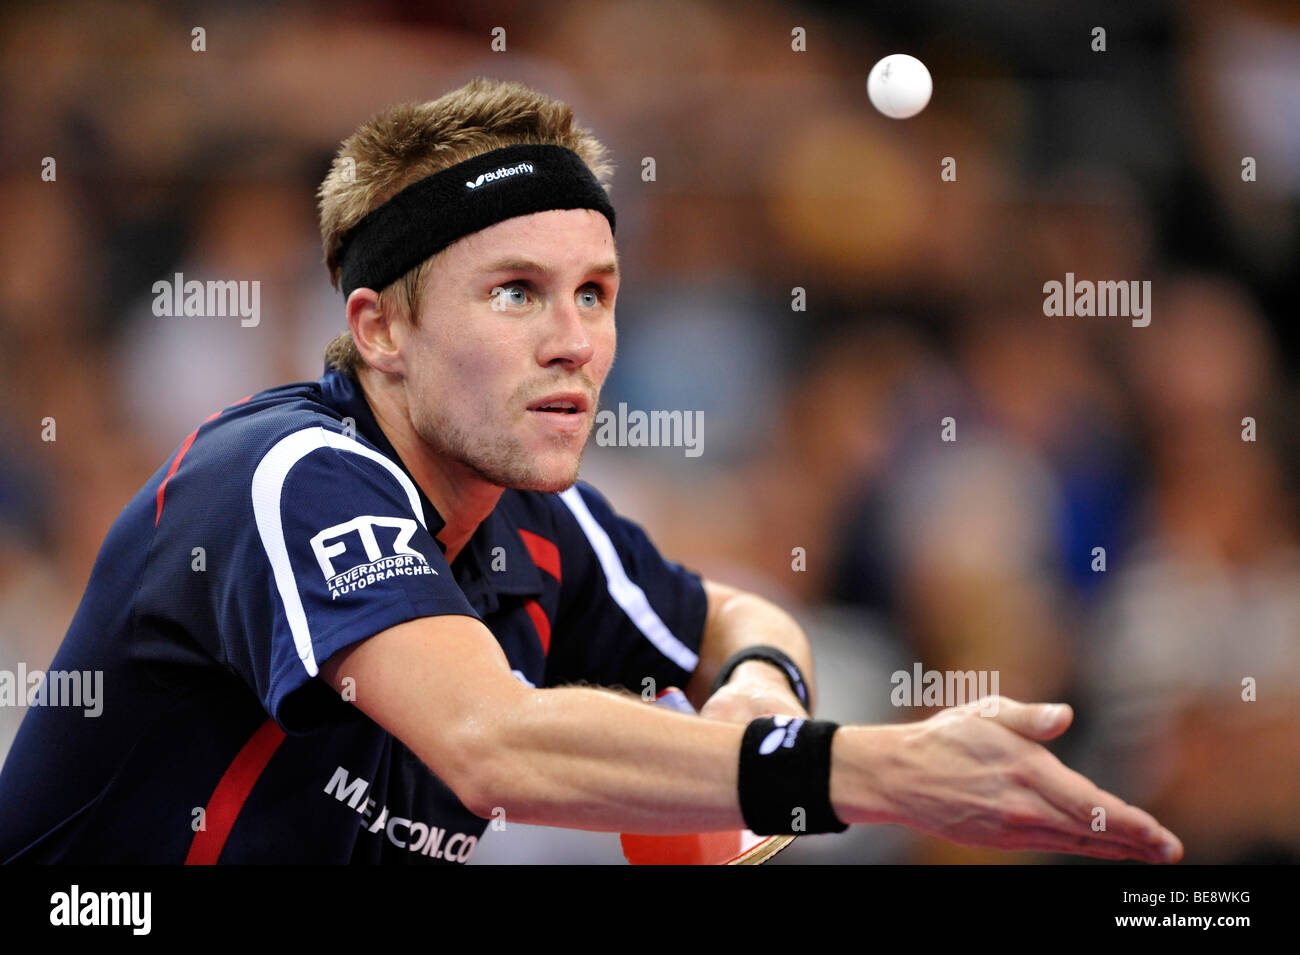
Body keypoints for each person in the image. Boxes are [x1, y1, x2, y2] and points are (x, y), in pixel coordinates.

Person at [0, 77, 1182, 865]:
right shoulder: (285, 473)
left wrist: (762, 693)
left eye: (596, 294)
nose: (573, 339)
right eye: (514, 290)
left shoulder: (542, 526)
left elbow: (729, 611)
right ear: (381, 330)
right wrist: (881, 768)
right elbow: (490, 740)